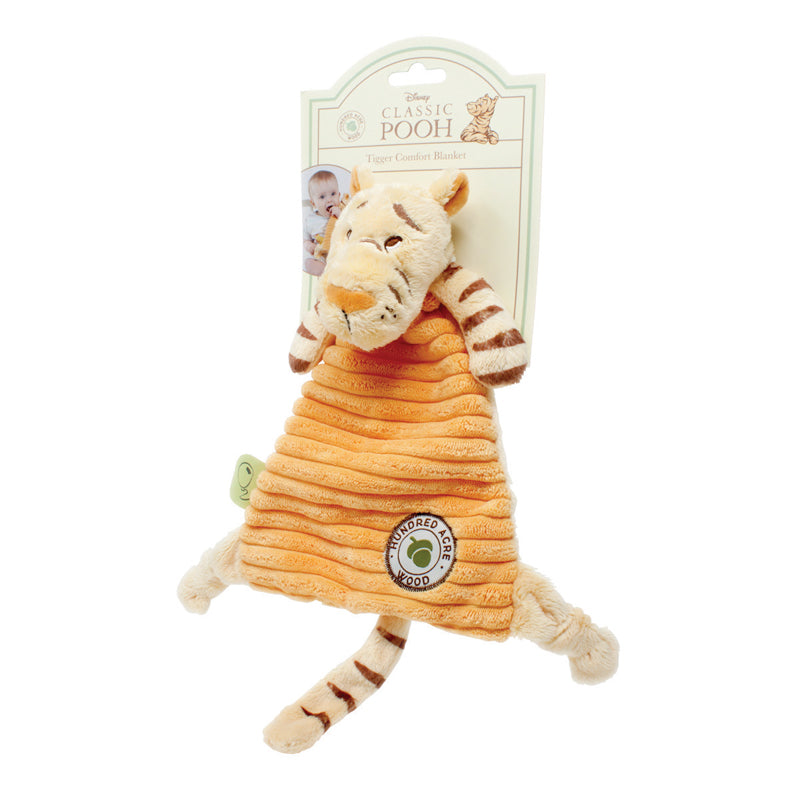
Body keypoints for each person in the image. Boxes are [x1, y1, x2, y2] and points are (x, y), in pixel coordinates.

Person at [303, 170, 341, 276]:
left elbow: (352, 227)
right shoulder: (310, 220)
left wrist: (341, 216)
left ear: (339, 195)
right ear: (313, 203)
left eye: (333, 194)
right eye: (322, 197)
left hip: (340, 253)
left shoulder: (343, 212)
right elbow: (304, 238)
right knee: (308, 263)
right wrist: (308, 244)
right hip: (321, 256)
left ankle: (336, 272)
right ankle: (326, 272)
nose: (329, 200)